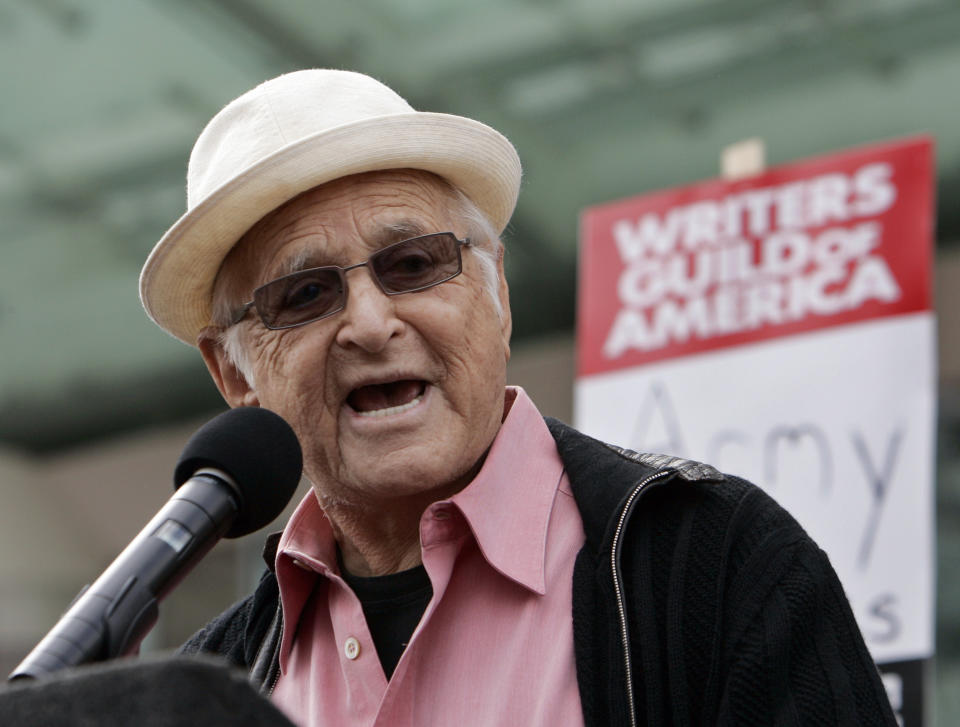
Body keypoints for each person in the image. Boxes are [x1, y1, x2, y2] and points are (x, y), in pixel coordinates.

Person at [139, 69, 896, 726]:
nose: (369, 324)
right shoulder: (209, 687)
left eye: (412, 263)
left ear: (495, 290)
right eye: (304, 294)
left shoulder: (712, 562)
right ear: (234, 373)